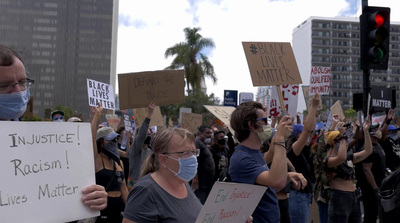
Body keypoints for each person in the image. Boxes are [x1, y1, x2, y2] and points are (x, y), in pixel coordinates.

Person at [0, 44, 107, 216]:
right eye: (5, 85)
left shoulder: (33, 139)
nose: (18, 91)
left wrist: (92, 197)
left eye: (22, 82)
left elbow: (52, 191)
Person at [229, 101, 306, 223]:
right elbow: (277, 182)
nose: (269, 125)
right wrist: (280, 138)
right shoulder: (242, 159)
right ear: (252, 125)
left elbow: (265, 190)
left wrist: (288, 177)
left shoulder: (254, 153)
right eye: (265, 121)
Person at [123, 127, 202, 222]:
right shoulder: (145, 191)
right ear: (163, 159)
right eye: (185, 153)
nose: (193, 158)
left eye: (194, 152)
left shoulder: (182, 182)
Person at [324, 118, 372, 223]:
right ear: (334, 143)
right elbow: (340, 158)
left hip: (353, 196)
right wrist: (342, 135)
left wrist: (366, 132)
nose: (346, 143)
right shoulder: (328, 160)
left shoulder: (348, 157)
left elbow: (368, 151)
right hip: (340, 197)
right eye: (343, 140)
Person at [285, 93, 320, 223]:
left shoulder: (303, 150)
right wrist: (314, 107)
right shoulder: (294, 150)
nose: (309, 135)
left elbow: (309, 130)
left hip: (304, 195)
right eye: (302, 134)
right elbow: (307, 130)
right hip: (298, 197)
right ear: (296, 136)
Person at [91, 105, 129, 223]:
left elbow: (123, 189)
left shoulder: (119, 163)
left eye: (114, 139)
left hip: (117, 209)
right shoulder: (97, 160)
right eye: (109, 139)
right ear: (101, 142)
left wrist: (131, 209)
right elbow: (91, 138)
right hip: (102, 209)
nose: (113, 142)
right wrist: (97, 116)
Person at [128, 101, 155, 189]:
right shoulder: (136, 149)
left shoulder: (149, 151)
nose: (149, 134)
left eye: (150, 132)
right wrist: (149, 114)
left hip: (148, 184)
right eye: (146, 133)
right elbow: (142, 133)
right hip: (136, 184)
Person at [193, 125, 215, 204]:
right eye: (207, 133)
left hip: (207, 182)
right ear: (200, 133)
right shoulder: (197, 142)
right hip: (202, 181)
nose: (209, 135)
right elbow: (195, 160)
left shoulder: (203, 144)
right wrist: (195, 178)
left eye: (211, 133)